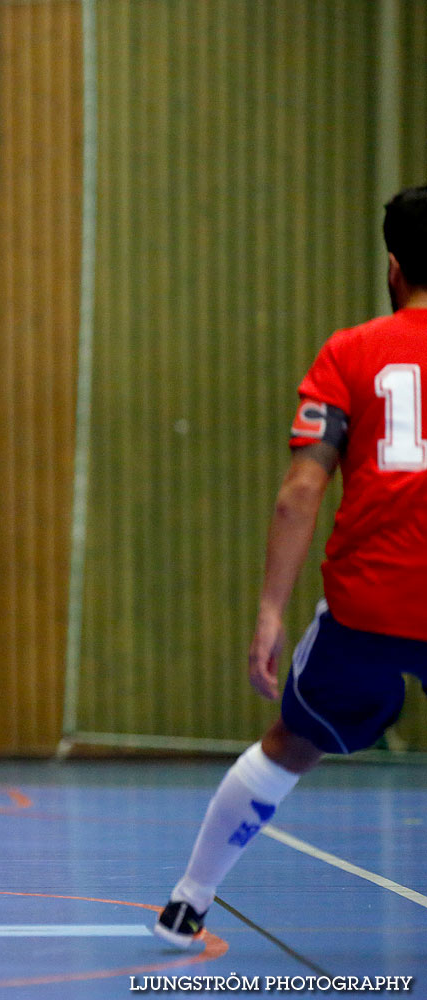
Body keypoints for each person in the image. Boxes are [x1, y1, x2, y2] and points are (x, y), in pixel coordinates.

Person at [153, 185, 427, 946]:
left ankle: (189, 901)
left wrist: (271, 612)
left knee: (289, 744)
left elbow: (301, 489)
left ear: (393, 269)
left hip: (368, 607)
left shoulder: (352, 351)